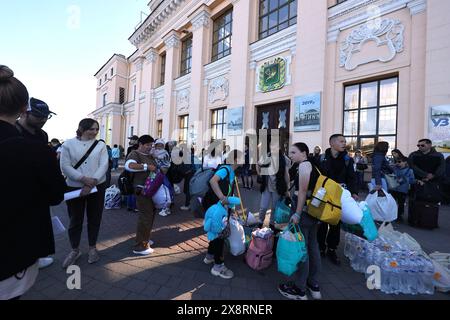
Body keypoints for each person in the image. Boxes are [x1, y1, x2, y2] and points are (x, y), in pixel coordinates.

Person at [0, 65, 66, 300]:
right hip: (11, 251)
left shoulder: (40, 142)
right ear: (22, 110)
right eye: (39, 116)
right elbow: (55, 194)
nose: (43, 121)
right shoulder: (34, 150)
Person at [16, 97, 60, 270]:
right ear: (24, 113)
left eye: (46, 116)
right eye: (39, 116)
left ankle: (36, 256)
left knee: (39, 223)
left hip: (39, 190)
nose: (43, 120)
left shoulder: (42, 135)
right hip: (17, 189)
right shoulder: (11, 131)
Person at [60, 118, 109, 268]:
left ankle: (92, 247)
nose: (94, 132)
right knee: (75, 219)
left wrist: (92, 181)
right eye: (91, 129)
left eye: (96, 129)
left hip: (96, 186)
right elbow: (65, 166)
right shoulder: (68, 144)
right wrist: (83, 179)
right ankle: (75, 250)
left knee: (94, 217)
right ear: (82, 128)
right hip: (74, 187)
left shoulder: (100, 145)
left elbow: (104, 165)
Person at [278, 143, 322, 300]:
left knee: (301, 247)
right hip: (313, 211)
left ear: (304, 153)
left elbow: (302, 191)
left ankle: (299, 288)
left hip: (302, 209)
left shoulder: (304, 166)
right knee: (312, 246)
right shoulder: (314, 165)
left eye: (293, 152)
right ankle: (314, 284)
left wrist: (297, 213)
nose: (290, 155)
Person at [317, 134, 358, 265]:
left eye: (344, 141)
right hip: (325, 195)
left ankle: (332, 249)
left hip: (341, 196)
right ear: (332, 143)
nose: (344, 143)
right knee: (322, 221)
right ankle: (320, 247)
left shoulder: (347, 159)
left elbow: (352, 177)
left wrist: (354, 192)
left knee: (335, 223)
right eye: (341, 141)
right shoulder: (321, 158)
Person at [203, 150, 242, 280]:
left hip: (218, 207)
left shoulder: (231, 171)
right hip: (217, 207)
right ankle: (218, 267)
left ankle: (209, 256)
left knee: (216, 233)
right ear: (236, 159)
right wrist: (222, 198)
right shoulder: (225, 169)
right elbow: (213, 181)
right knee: (220, 234)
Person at [125, 135, 158, 255]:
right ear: (140, 144)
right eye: (148, 145)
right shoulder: (134, 154)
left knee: (150, 214)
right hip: (141, 189)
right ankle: (140, 246)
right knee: (145, 216)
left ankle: (145, 239)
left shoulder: (149, 155)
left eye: (151, 145)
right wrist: (146, 167)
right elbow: (129, 166)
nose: (150, 147)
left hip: (150, 189)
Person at [256, 140, 290, 229]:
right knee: (263, 207)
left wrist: (287, 189)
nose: (272, 148)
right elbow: (258, 164)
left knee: (274, 208)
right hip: (266, 186)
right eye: (271, 146)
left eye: (275, 146)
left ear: (279, 148)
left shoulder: (284, 159)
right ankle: (260, 222)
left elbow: (286, 175)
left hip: (278, 187)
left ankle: (272, 224)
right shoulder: (267, 156)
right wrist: (259, 174)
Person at [390, 156, 415, 222]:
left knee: (401, 204)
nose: (397, 163)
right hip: (394, 188)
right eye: (396, 162)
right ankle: (392, 215)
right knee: (392, 203)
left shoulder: (410, 170)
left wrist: (406, 179)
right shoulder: (394, 168)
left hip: (402, 190)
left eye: (399, 162)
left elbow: (412, 181)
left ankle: (399, 217)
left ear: (405, 162)